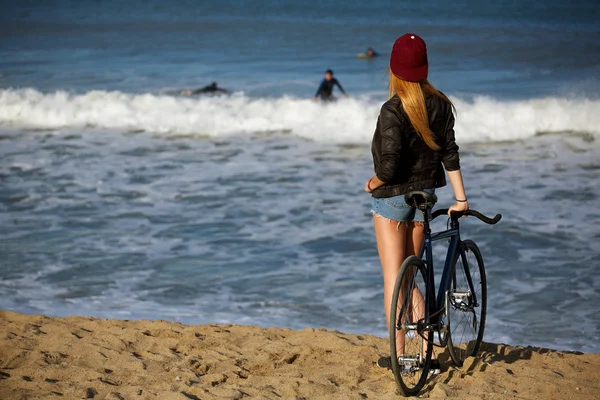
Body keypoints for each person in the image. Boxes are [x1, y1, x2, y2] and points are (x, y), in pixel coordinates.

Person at [364, 33, 468, 374]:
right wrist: (461, 198)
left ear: (393, 69)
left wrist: (373, 182)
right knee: (410, 277)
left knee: (395, 280)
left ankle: (398, 356)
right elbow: (449, 153)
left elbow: (389, 165)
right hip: (425, 199)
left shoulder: (393, 109)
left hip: (392, 200)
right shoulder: (440, 104)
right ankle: (426, 354)